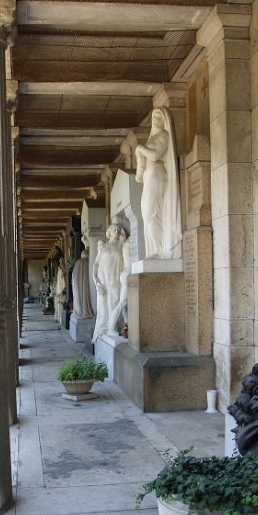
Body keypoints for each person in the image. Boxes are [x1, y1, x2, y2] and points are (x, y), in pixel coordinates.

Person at [135, 107, 182, 260]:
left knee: (152, 213)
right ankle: (153, 250)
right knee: (146, 214)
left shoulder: (164, 135)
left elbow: (155, 156)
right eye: (154, 116)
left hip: (157, 177)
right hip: (149, 179)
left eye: (159, 117)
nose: (156, 120)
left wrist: (140, 148)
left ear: (164, 120)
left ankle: (159, 249)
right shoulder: (152, 138)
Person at [92, 224, 129, 343]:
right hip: (103, 278)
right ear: (108, 231)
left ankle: (115, 327)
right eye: (113, 229)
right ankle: (108, 328)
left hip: (116, 277)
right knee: (105, 304)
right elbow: (96, 264)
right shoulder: (102, 245)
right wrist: (96, 281)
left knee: (116, 300)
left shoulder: (121, 244)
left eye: (117, 229)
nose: (115, 231)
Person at [71, 236, 94, 319]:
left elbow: (73, 275)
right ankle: (84, 311)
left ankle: (79, 311)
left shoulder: (78, 262)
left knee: (78, 298)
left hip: (77, 285)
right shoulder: (88, 262)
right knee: (84, 298)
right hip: (86, 285)